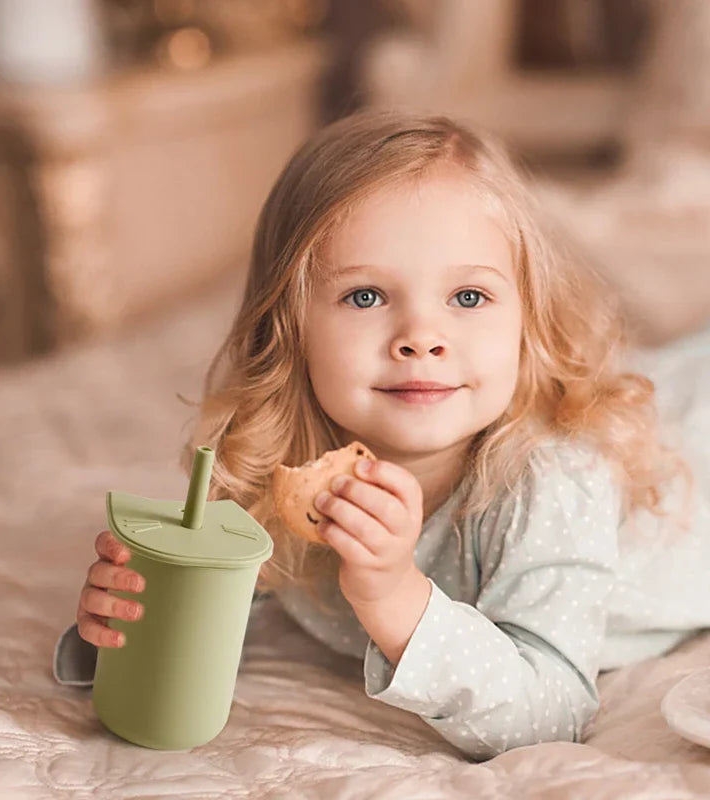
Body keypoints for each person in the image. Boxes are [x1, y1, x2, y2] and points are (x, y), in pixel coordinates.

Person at [53, 109, 710, 762]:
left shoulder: (552, 479)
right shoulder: (281, 473)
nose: (421, 337)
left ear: (527, 319)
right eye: (366, 296)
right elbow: (218, 620)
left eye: (469, 298)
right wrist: (122, 627)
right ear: (289, 328)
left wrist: (396, 597)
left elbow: (553, 710)